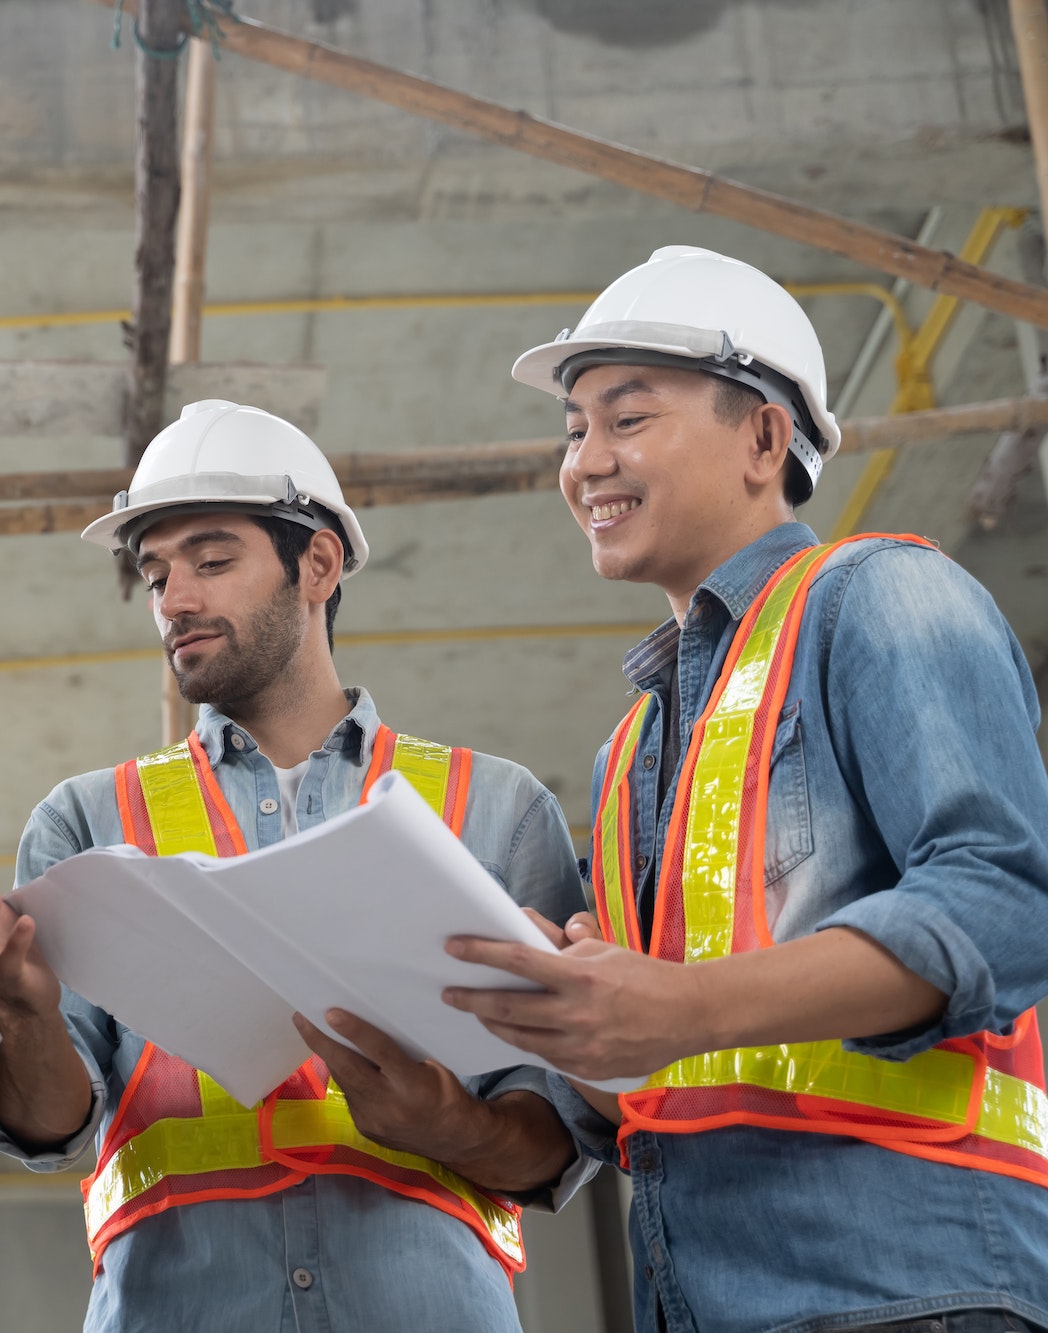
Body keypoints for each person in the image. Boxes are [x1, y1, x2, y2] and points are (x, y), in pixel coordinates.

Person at [442, 245, 1048, 1332]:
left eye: (625, 419)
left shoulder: (881, 597)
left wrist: (673, 1005)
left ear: (764, 436)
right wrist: (563, 1016)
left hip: (905, 1289)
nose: (583, 462)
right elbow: (661, 1080)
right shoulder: (630, 747)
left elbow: (1003, 902)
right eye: (573, 429)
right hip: (702, 1298)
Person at [0, 400, 591, 1330]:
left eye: (212, 560)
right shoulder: (88, 822)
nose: (174, 598)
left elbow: (562, 1141)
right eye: (156, 572)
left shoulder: (498, 811)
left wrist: (448, 1126)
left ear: (319, 563)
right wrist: (21, 1015)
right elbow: (47, 1127)